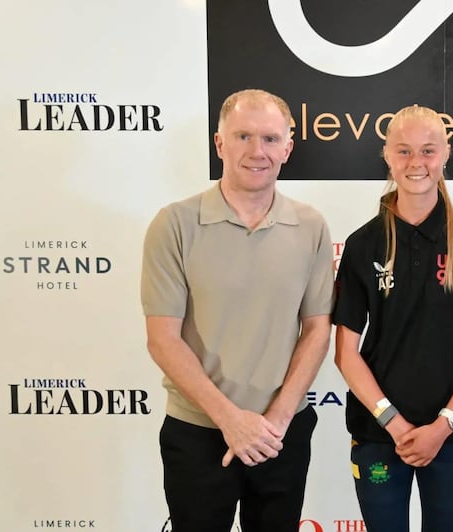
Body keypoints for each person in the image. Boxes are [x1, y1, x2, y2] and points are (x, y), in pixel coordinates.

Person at [141, 89, 334, 532]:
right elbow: (162, 338)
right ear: (220, 143)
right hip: (198, 433)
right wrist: (231, 421)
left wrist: (276, 420)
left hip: (281, 431)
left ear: (288, 147)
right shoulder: (174, 224)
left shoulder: (311, 226)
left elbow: (318, 329)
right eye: (243, 136)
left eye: (269, 139)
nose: (256, 151)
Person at [333, 104, 453, 532]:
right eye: (403, 151)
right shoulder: (363, 243)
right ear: (387, 155)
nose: (416, 163)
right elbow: (346, 353)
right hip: (379, 434)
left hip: (452, 436)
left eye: (427, 150)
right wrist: (396, 423)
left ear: (445, 154)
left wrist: (443, 425)